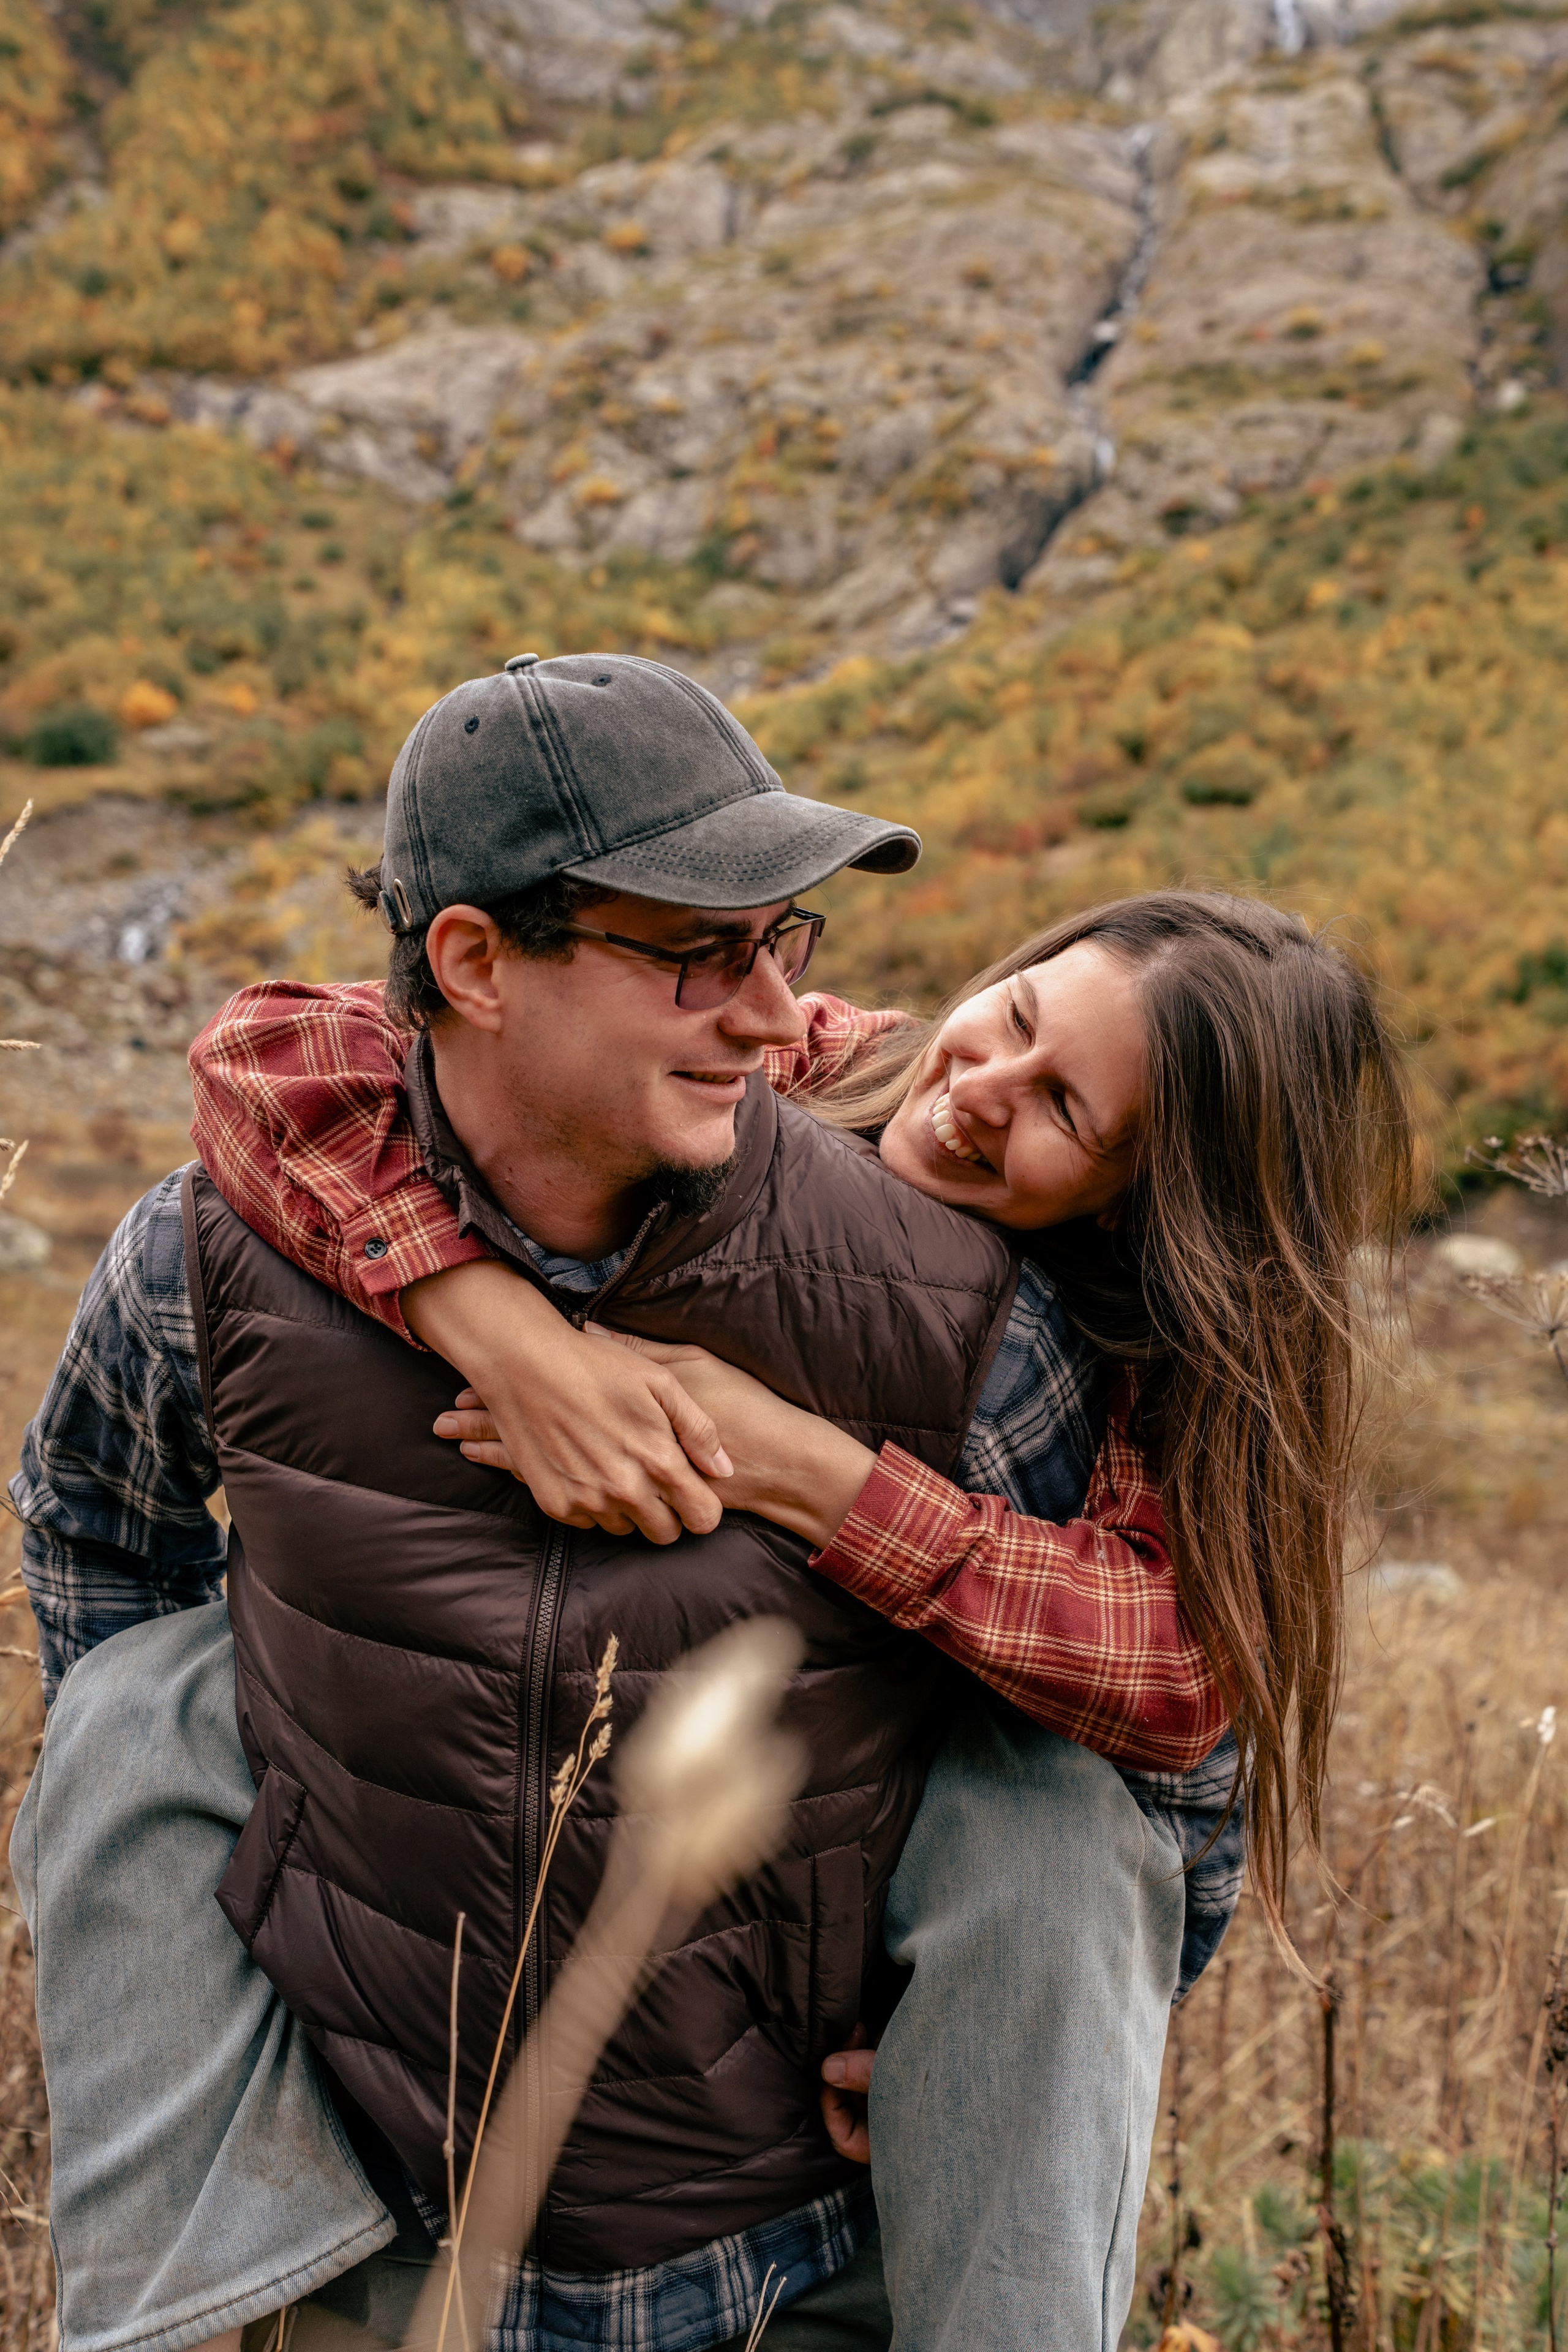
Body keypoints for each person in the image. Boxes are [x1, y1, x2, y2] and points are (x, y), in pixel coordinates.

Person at [9, 653, 1408, 2352]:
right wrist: (487, 1317)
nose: (977, 1095)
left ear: (1148, 1207)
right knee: (144, 1705)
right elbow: (264, 1066)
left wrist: (996, 2042)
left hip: (781, 2212)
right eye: (1017, 1024)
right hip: (398, 2194)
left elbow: (1179, 1723)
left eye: (1065, 1116)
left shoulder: (1027, 1338)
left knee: (1044, 1819)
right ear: (474, 964)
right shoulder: (780, 1078)